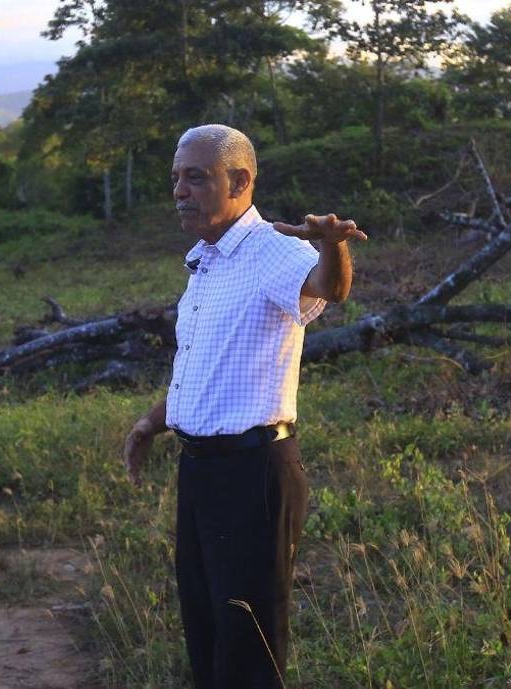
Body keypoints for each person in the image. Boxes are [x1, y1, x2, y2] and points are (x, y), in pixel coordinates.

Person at [121, 123, 367, 688]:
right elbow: (202, 369)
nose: (181, 191)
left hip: (253, 472)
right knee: (205, 626)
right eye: (176, 178)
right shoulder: (206, 262)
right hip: (201, 471)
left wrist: (332, 243)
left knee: (248, 638)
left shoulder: (273, 251)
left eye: (196, 178)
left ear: (240, 180)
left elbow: (328, 288)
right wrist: (149, 423)